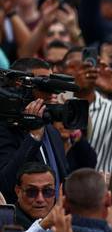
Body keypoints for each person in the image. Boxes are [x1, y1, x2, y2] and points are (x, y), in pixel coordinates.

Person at [0, 58, 70, 201]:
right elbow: (6, 184)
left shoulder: (52, 131)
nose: (51, 92)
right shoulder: (4, 128)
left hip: (54, 219)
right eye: (44, 84)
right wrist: (34, 136)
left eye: (53, 84)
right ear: (20, 85)